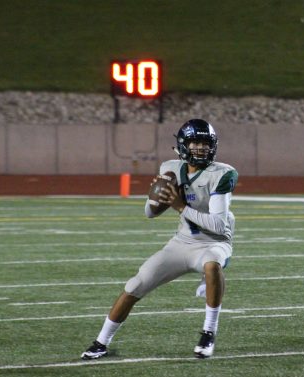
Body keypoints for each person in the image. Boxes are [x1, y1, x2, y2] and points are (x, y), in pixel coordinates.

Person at [81, 119, 238, 360]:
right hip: (182, 243)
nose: (201, 148)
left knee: (211, 264)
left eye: (205, 143)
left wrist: (179, 205)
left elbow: (218, 225)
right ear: (183, 145)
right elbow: (149, 213)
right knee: (135, 285)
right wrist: (158, 196)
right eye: (195, 143)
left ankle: (208, 332)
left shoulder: (222, 174)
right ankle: (101, 342)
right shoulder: (171, 168)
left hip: (214, 242)